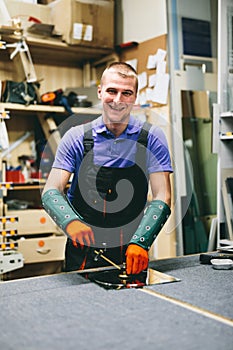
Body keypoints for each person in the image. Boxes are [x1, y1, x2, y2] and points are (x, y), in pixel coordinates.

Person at [41, 62, 173, 275]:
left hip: (131, 251)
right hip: (82, 253)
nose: (118, 100)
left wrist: (141, 242)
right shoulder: (75, 137)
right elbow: (51, 190)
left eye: (127, 93)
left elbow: (163, 195)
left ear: (135, 97)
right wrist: (70, 221)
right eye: (112, 91)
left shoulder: (151, 138)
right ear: (100, 92)